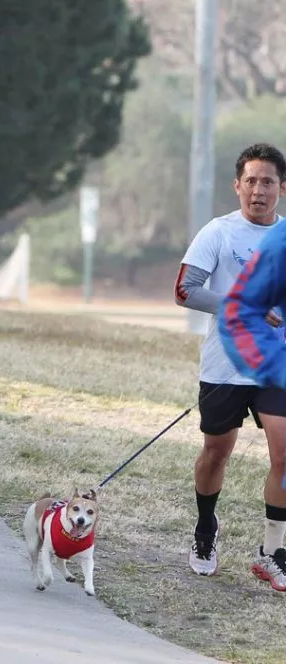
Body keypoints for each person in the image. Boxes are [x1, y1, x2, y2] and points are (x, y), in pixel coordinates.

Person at [181, 142, 286, 590]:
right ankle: (206, 530)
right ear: (237, 186)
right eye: (250, 181)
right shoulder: (218, 233)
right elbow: (186, 289)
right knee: (215, 453)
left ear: (282, 188)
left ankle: (272, 551)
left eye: (267, 182)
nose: (257, 190)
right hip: (225, 366)